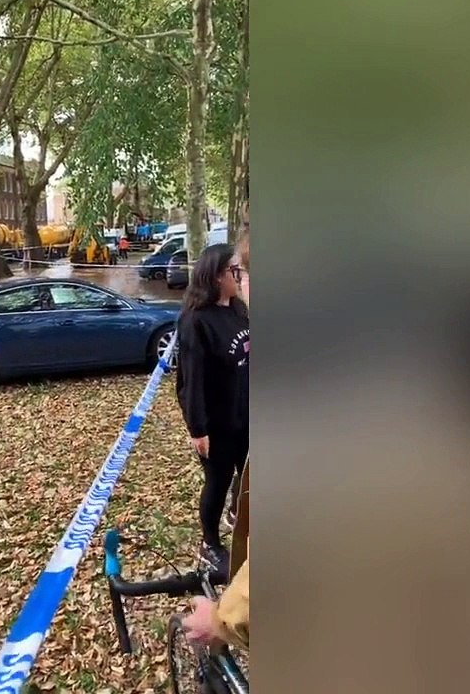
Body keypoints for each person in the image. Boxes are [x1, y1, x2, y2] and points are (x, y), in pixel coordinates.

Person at [183, 231, 250, 651]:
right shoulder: (196, 320)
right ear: (215, 275)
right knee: (219, 479)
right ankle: (210, 540)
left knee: (247, 479)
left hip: (249, 415)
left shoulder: (240, 311)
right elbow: (190, 382)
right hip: (218, 423)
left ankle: (238, 522)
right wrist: (198, 429)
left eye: (240, 270)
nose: (239, 277)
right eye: (233, 270)